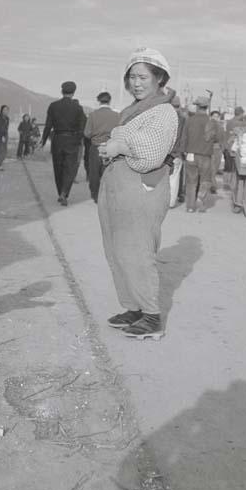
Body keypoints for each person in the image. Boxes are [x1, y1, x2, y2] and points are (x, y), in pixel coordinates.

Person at [98, 47, 178, 340]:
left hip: (143, 185)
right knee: (117, 249)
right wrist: (112, 148)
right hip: (119, 183)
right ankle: (133, 307)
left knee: (137, 250)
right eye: (132, 77)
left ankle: (152, 315)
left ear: (159, 79)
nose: (136, 83)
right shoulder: (133, 110)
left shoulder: (163, 111)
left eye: (143, 77)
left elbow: (152, 154)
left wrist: (120, 145)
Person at [40, 81, 86, 206]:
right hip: (72, 140)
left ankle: (60, 191)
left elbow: (48, 125)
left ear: (62, 91)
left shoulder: (53, 106)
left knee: (58, 167)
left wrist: (43, 141)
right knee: (70, 168)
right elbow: (82, 127)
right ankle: (64, 193)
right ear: (74, 92)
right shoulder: (78, 108)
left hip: (57, 140)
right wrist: (77, 140)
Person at [181, 95, 217, 213]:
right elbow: (214, 138)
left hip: (191, 154)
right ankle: (201, 203)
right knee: (205, 180)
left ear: (197, 106)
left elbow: (184, 137)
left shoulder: (189, 120)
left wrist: (183, 151)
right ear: (206, 107)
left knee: (191, 181)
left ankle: (190, 207)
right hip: (205, 155)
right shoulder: (211, 122)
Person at [83, 92, 120, 203]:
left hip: (96, 147)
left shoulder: (93, 115)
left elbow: (87, 133)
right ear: (110, 101)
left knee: (94, 172)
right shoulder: (117, 116)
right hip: (111, 147)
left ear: (98, 101)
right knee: (109, 172)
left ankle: (96, 195)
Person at [169, 94, 186, 208]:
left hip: (164, 152)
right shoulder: (183, 118)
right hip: (177, 153)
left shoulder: (165, 117)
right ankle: (171, 202)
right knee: (174, 178)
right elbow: (184, 137)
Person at [223, 105, 244, 187]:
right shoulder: (238, 123)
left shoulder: (229, 122)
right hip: (232, 148)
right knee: (231, 168)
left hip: (226, 147)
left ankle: (225, 182)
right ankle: (228, 184)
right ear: (241, 114)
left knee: (227, 166)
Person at [210, 110, 225, 193]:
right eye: (214, 116)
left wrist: (222, 150)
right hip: (211, 149)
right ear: (211, 117)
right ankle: (213, 186)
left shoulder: (221, 127)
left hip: (218, 149)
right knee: (212, 168)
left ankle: (211, 184)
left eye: (217, 117)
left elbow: (223, 140)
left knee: (215, 168)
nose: (216, 118)